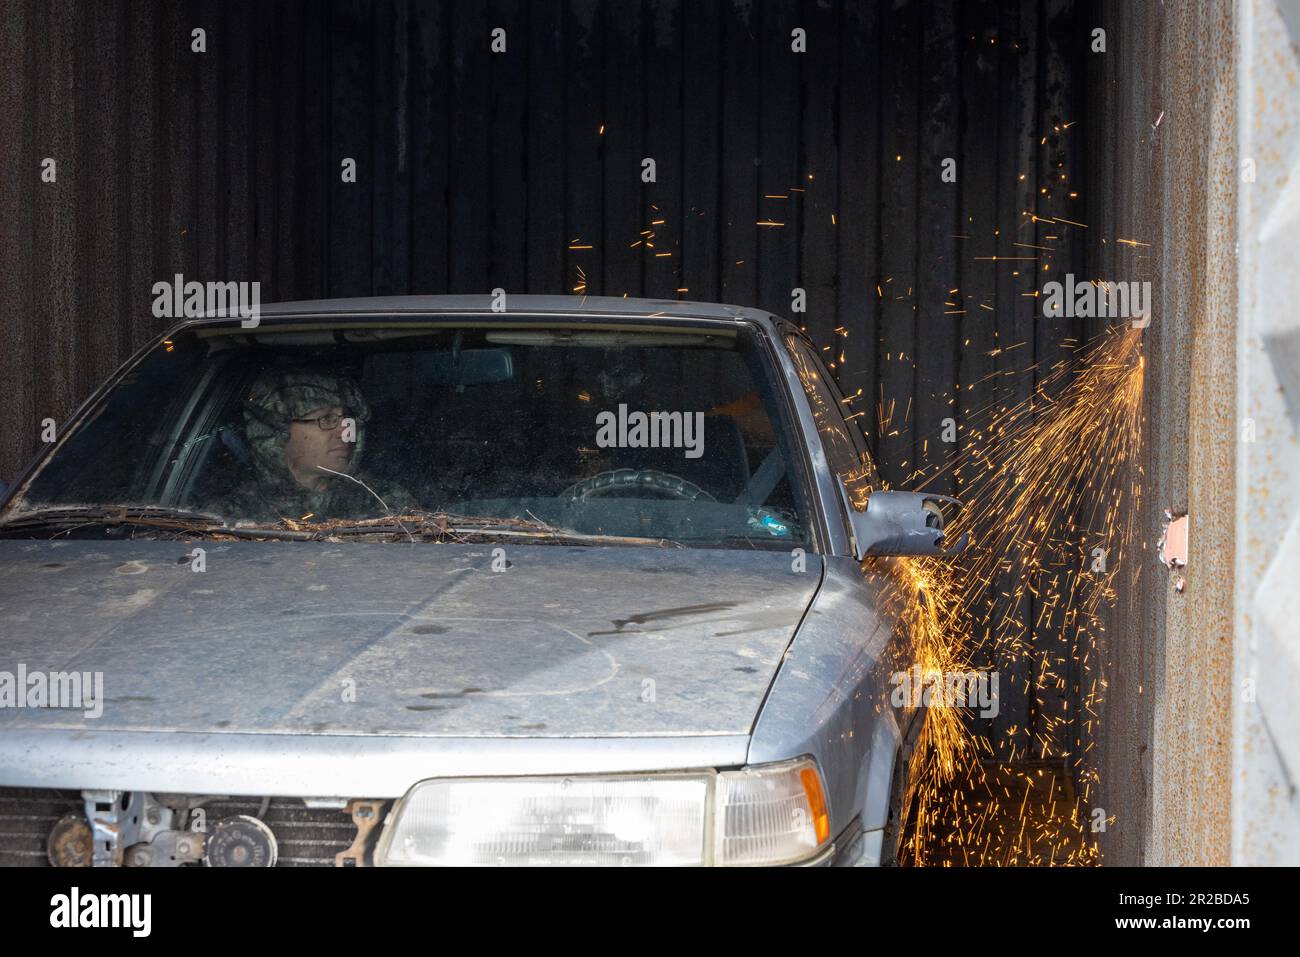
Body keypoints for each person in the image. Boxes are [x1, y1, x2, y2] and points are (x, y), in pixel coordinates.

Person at [215, 368, 419, 523]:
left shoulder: (383, 502)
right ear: (276, 432)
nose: (346, 432)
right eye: (327, 418)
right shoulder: (233, 516)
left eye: (348, 419)